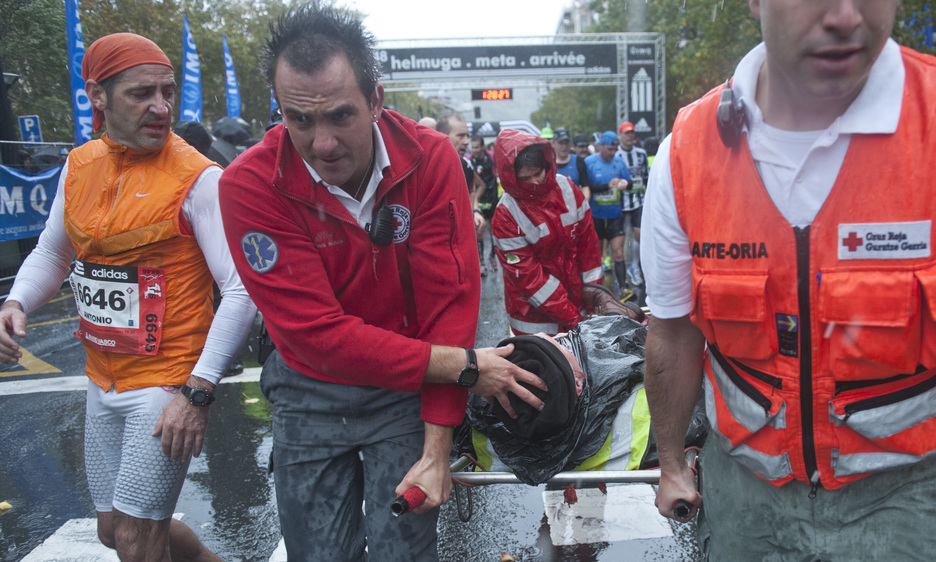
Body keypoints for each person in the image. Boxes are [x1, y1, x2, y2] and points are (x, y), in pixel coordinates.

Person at [217, 4, 547, 560]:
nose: (322, 144)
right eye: (299, 120)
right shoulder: (248, 184)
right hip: (308, 387)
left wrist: (438, 443)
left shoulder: (431, 158)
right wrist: (465, 366)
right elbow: (315, 336)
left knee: (403, 551)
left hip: (406, 391)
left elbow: (452, 302)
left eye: (340, 116)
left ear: (375, 99)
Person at [642, 1, 936, 559]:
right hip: (747, 497)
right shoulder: (687, 151)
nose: (846, 16)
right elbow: (674, 331)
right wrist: (672, 462)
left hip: (911, 496)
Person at [0, 33, 256, 561]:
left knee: (138, 542)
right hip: (103, 376)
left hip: (168, 381)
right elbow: (53, 253)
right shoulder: (79, 165)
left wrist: (196, 392)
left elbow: (240, 290)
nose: (161, 107)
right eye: (142, 94)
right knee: (114, 530)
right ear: (97, 96)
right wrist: (16, 303)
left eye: (167, 91)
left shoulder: (200, 178)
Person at [491, 128, 603, 337]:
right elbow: (531, 280)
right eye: (525, 177)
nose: (534, 182)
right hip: (533, 322)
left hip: (578, 307)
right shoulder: (506, 214)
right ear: (511, 176)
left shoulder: (568, 189)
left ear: (546, 165)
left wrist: (594, 300)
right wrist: (574, 319)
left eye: (538, 173)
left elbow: (590, 252)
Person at [584, 131, 632, 300]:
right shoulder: (589, 162)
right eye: (610, 149)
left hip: (615, 215)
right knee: (595, 256)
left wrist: (626, 183)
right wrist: (606, 185)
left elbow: (630, 183)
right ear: (601, 146)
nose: (613, 152)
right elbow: (586, 185)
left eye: (615, 149)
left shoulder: (619, 163)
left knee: (618, 252)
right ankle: (598, 292)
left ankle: (623, 288)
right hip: (596, 215)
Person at [615, 121, 650, 297]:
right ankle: (622, 270)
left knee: (639, 234)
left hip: (638, 200)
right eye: (626, 133)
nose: (629, 136)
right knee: (620, 239)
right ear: (620, 135)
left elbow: (646, 177)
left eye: (631, 133)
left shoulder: (641, 154)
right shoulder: (617, 154)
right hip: (621, 201)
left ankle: (635, 266)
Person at [437, 112, 485, 236]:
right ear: (442, 136)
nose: (467, 141)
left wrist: (475, 211)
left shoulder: (466, 166)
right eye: (461, 136)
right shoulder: (426, 166)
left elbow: (473, 189)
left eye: (468, 136)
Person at [470, 134, 499, 275]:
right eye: (472, 147)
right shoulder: (469, 160)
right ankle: (481, 261)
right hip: (479, 198)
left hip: (492, 196)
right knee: (479, 228)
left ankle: (492, 254)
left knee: (492, 227)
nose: (474, 150)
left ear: (482, 146)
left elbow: (499, 172)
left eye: (476, 147)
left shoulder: (492, 157)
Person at [553, 127, 590, 200]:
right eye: (561, 143)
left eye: (566, 143)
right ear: (554, 143)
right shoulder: (548, 163)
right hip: (555, 208)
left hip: (574, 207)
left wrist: (584, 205)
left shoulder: (578, 161)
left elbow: (585, 187)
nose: (564, 147)